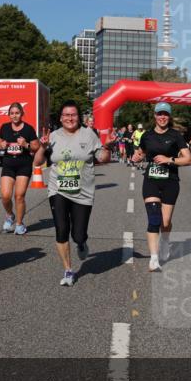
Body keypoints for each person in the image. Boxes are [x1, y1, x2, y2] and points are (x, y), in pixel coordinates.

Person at [34, 100, 112, 287]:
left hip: (83, 191)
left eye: (73, 115)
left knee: (78, 234)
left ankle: (82, 242)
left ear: (80, 117)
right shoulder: (52, 136)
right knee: (61, 230)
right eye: (66, 115)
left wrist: (107, 147)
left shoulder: (89, 134)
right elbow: (37, 163)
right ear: (60, 118)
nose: (70, 118)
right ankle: (68, 270)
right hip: (58, 189)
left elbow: (102, 158)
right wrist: (42, 148)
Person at [131, 103, 191, 271]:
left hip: (170, 181)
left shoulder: (175, 136)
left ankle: (165, 240)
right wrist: (136, 157)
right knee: (154, 219)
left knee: (165, 222)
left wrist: (169, 160)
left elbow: (188, 159)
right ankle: (154, 259)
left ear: (169, 117)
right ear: (155, 116)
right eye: (159, 114)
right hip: (151, 179)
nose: (162, 117)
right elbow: (141, 154)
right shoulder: (147, 136)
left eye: (165, 114)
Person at [0, 102, 40, 234]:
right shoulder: (4, 127)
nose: (14, 116)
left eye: (17, 113)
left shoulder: (28, 129)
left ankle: (20, 224)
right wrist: (1, 145)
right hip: (8, 164)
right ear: (9, 115)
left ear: (22, 114)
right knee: (5, 196)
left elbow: (36, 146)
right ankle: (10, 215)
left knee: (19, 196)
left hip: (24, 165)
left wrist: (26, 144)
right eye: (12, 113)